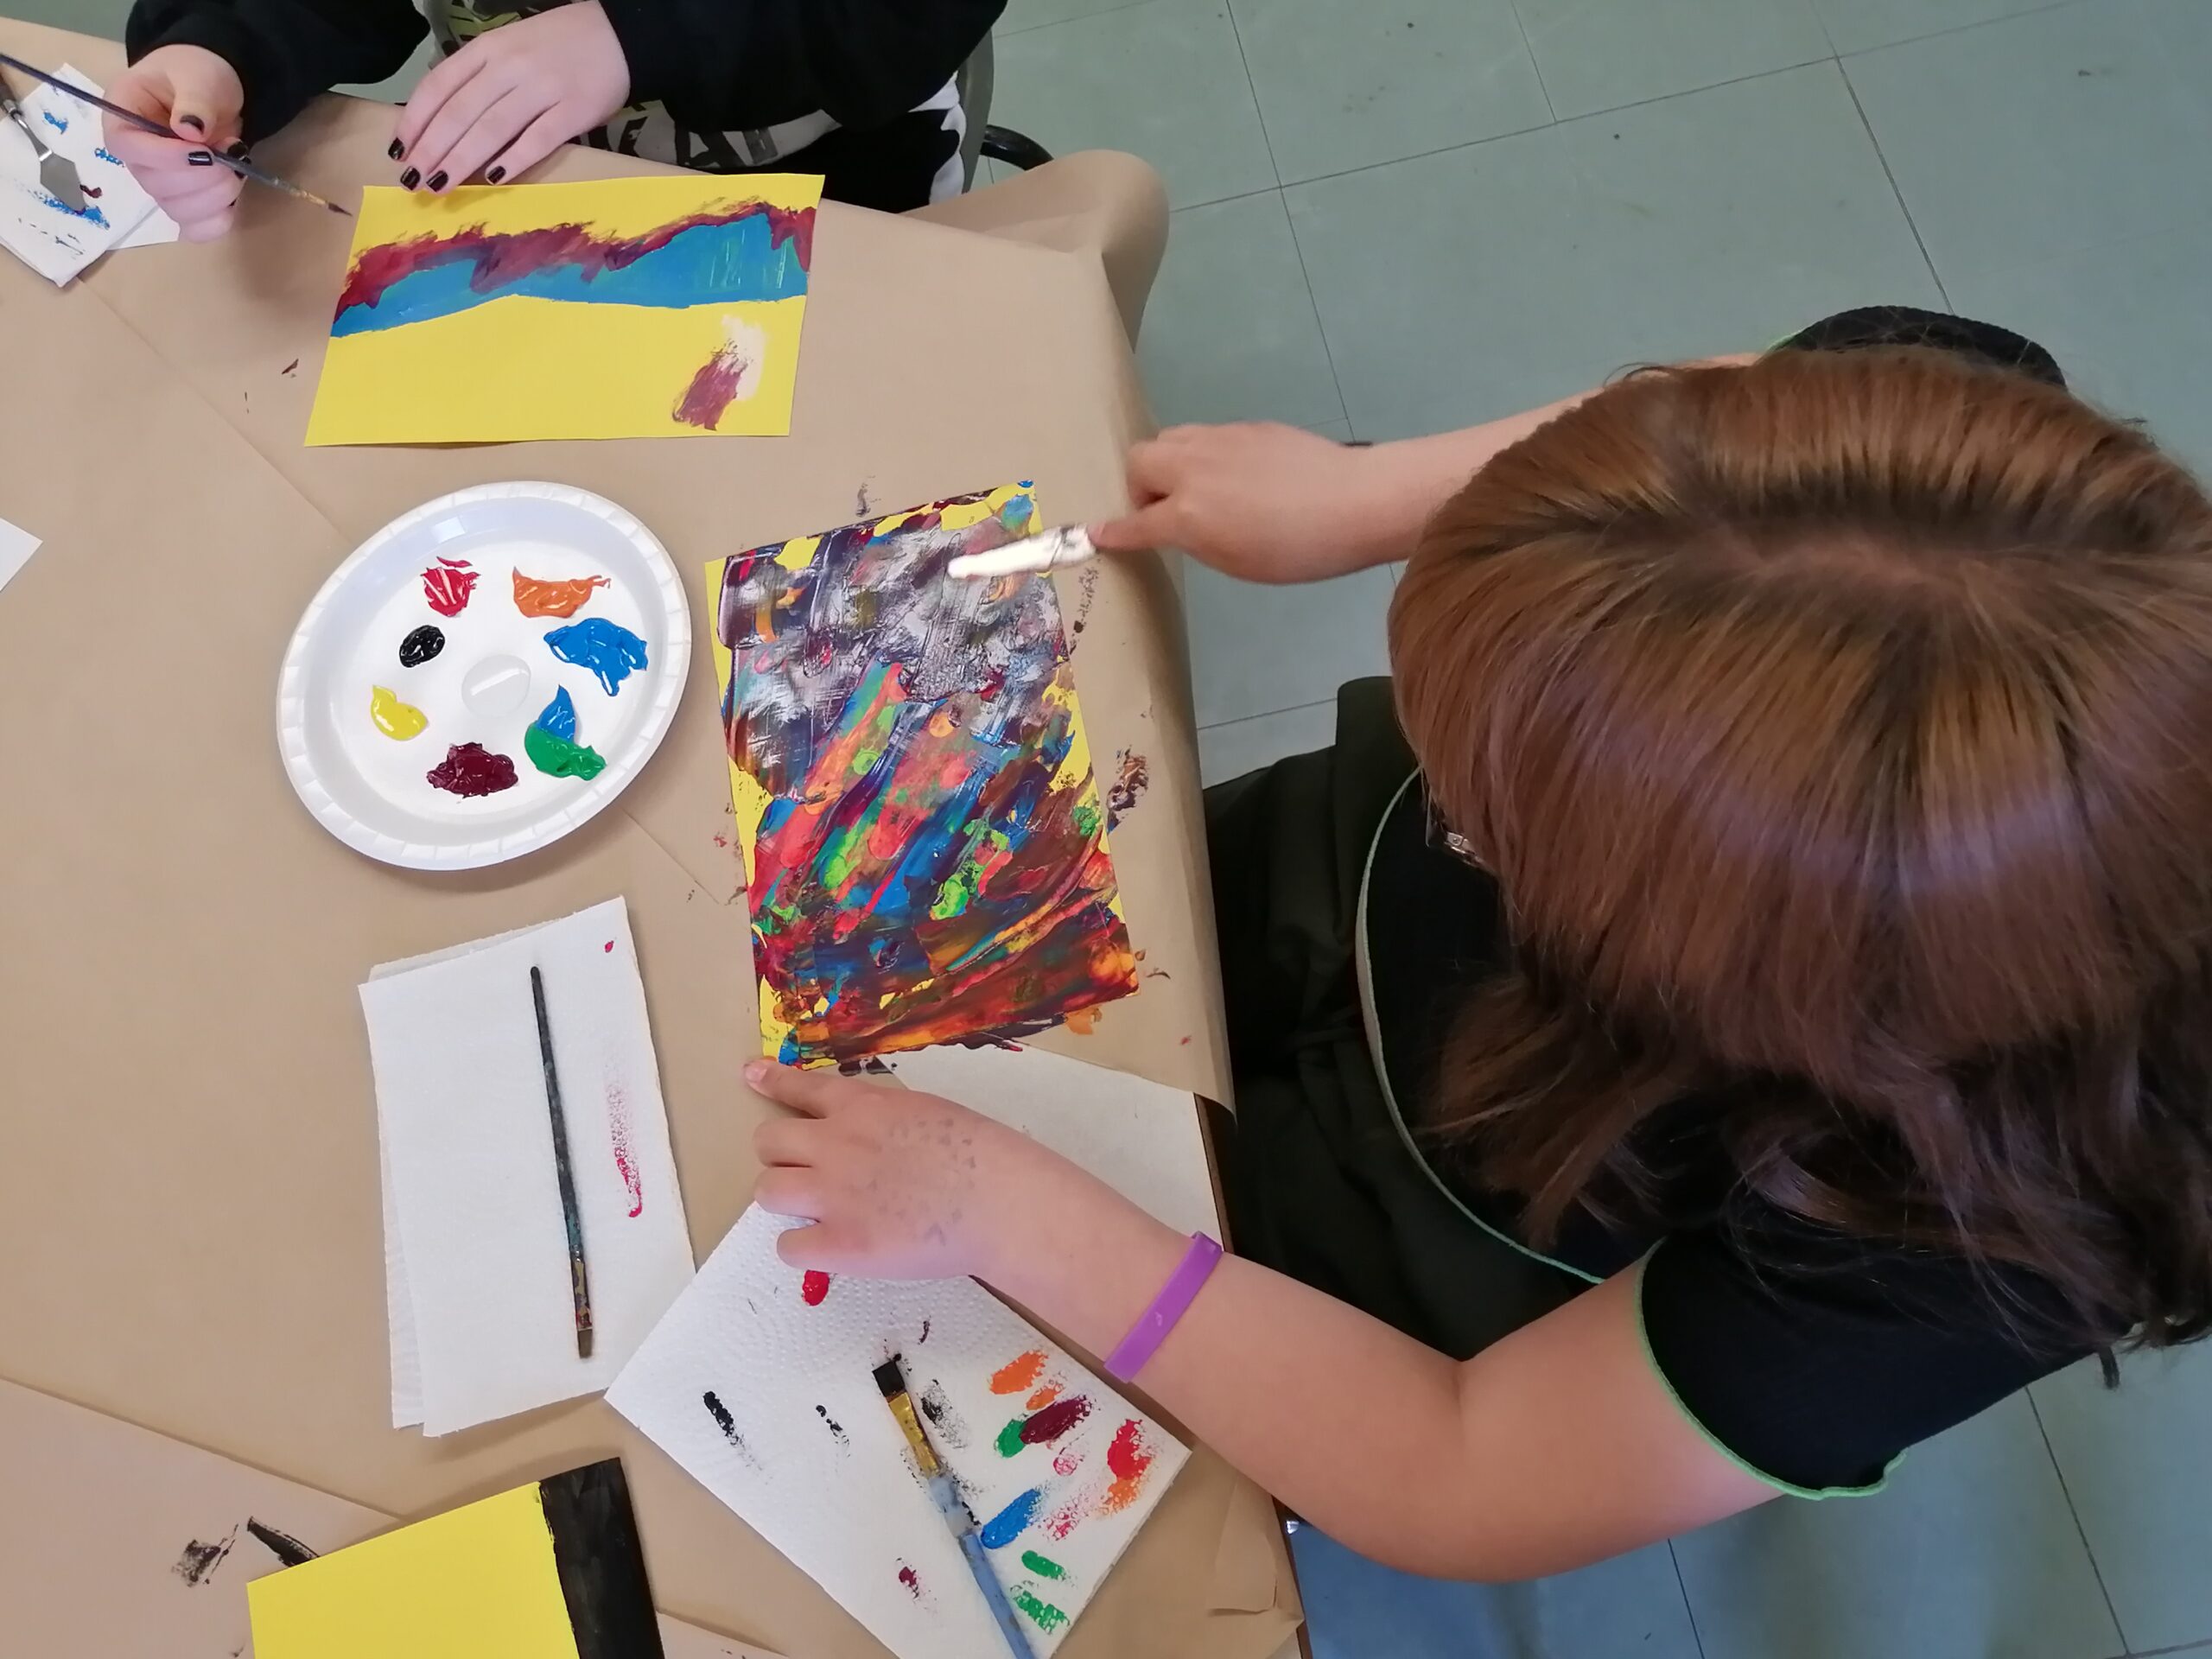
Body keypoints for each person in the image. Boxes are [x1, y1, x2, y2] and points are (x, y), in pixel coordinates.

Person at [741, 308, 2212, 1578]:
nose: (1445, 789)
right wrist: (1376, 496)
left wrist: (1023, 1224)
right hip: (1351, 896)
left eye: (1495, 811)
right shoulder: (1962, 471)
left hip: (1470, 1213)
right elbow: (1731, 411)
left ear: (1777, 983)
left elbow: (1458, 1471)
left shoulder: (1975, 1231)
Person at [106, 0, 1002, 240]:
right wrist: (224, 49)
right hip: (537, 189)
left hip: (839, 184)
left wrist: (639, 34)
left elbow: (899, 19)